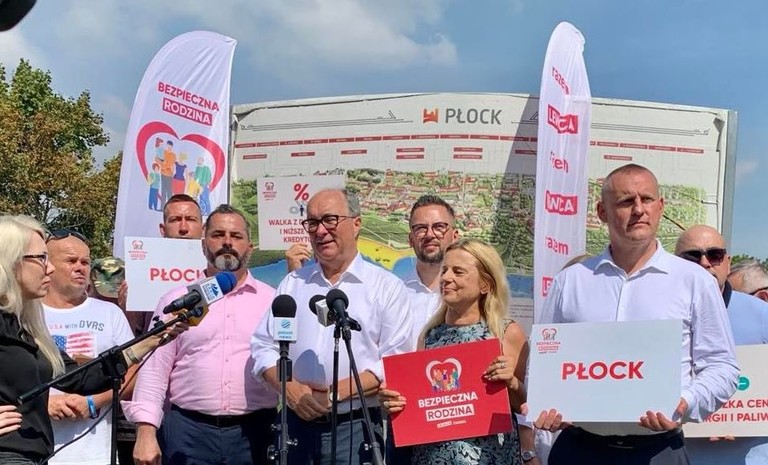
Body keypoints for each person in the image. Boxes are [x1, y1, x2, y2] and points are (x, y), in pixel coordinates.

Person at [534, 164, 739, 465]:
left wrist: (686, 401)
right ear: (602, 212)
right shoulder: (570, 281)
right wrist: (546, 402)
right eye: (626, 201)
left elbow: (722, 367)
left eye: (647, 199)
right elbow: (544, 360)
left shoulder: (695, 281)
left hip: (658, 451)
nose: (639, 209)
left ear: (661, 207)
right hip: (579, 448)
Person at [0, 215, 184, 465]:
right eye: (42, 258)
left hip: (34, 454)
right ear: (11, 260)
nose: (49, 268)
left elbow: (80, 377)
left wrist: (153, 339)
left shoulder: (25, 324)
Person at [251, 188, 413, 465]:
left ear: (356, 224)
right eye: (312, 223)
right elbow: (264, 347)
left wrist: (332, 395)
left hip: (355, 427)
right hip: (295, 423)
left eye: (330, 220)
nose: (320, 231)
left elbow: (394, 361)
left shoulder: (386, 288)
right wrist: (291, 389)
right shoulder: (293, 283)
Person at [124, 204, 279, 465]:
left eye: (236, 236)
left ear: (250, 247)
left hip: (257, 434)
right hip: (188, 433)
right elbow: (154, 371)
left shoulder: (272, 301)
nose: (227, 242)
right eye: (218, 235)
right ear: (203, 244)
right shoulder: (175, 301)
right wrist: (146, 432)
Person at [379, 239, 529, 465]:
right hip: (432, 458)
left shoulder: (506, 332)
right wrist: (393, 401)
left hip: (488, 458)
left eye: (458, 272)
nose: (446, 278)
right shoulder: (430, 335)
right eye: (445, 270)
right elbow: (420, 403)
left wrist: (512, 383)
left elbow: (522, 405)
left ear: (485, 285)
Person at [675, 225, 768, 464]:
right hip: (678, 454)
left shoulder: (761, 314)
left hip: (747, 457)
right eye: (692, 256)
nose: (705, 263)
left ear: (727, 262)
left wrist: (742, 419)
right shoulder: (659, 314)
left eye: (714, 255)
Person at [41, 230, 136, 465]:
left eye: (85, 262)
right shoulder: (25, 314)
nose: (80, 268)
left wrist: (94, 401)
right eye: (71, 261)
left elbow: (134, 374)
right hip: (37, 450)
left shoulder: (110, 313)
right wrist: (42, 404)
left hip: (95, 454)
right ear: (48, 265)